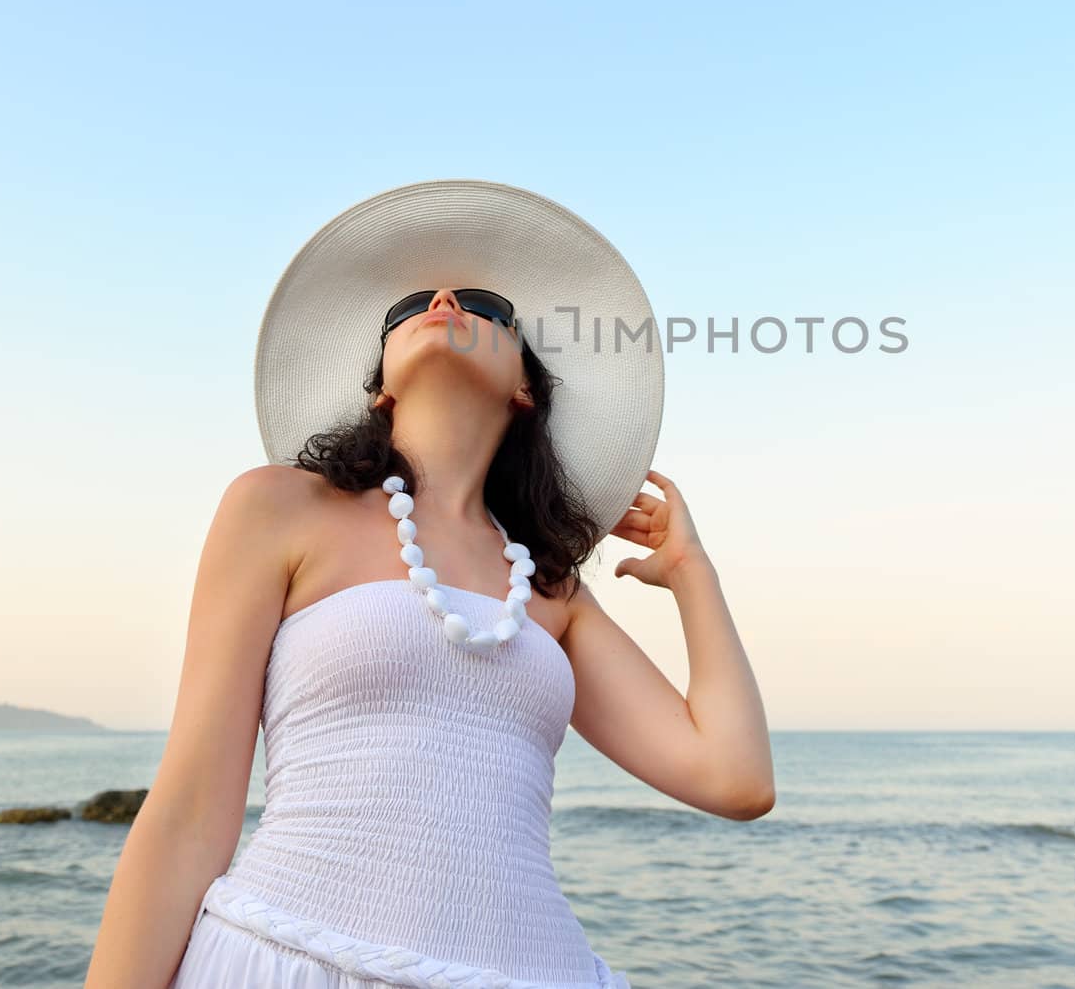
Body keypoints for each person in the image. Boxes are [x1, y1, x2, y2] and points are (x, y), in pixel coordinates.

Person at [84, 179, 775, 988]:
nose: (444, 299)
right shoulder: (278, 508)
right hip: (291, 959)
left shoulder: (550, 592)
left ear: (525, 385)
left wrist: (693, 576)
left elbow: (736, 779)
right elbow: (191, 811)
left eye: (484, 305)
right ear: (381, 383)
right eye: (408, 306)